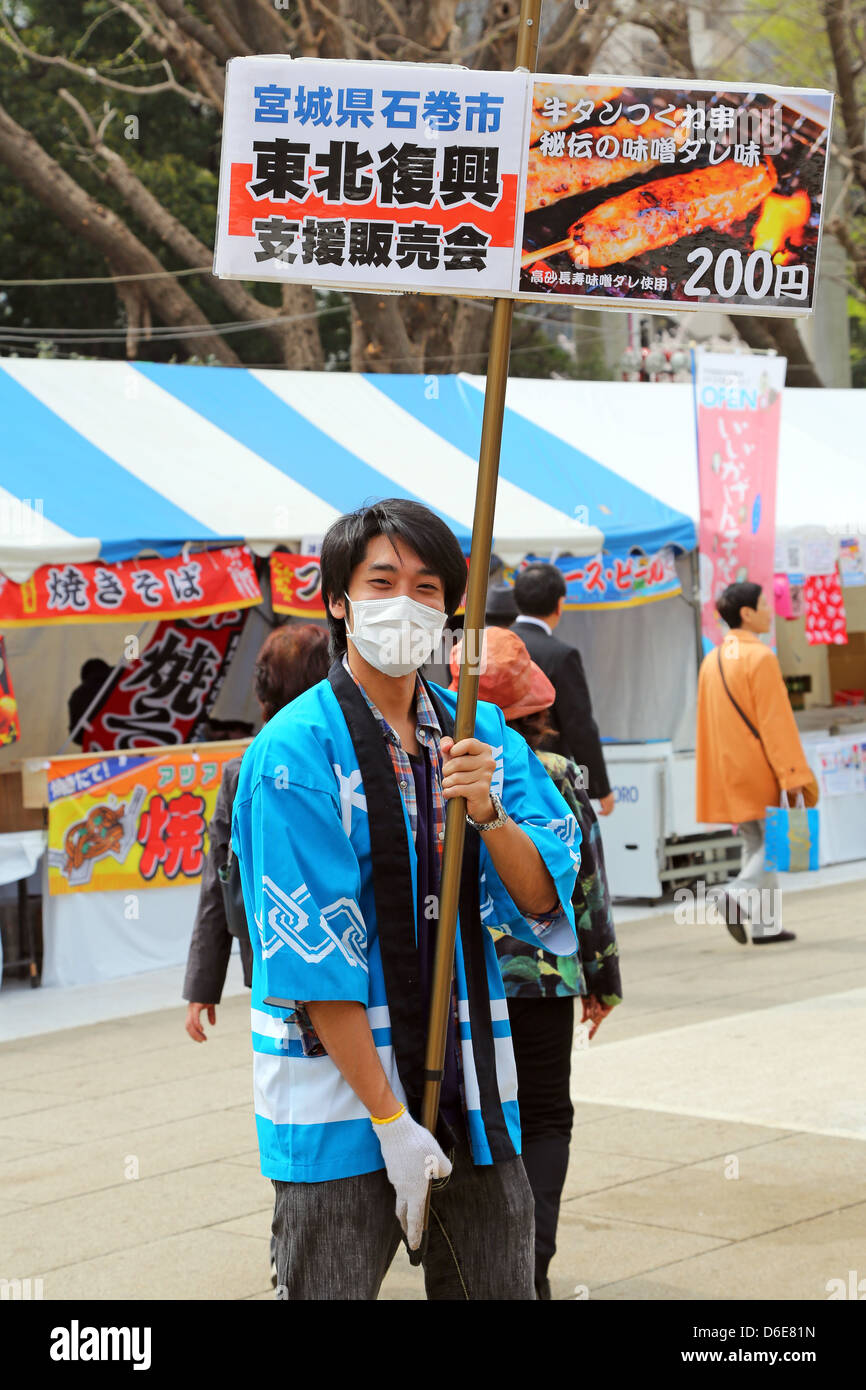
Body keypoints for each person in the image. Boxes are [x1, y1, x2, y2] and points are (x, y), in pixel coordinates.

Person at [231, 499, 581, 1301]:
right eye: (382, 581)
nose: (407, 603)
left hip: (474, 1089)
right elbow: (313, 963)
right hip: (341, 1107)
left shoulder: (481, 731)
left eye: (429, 587)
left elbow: (541, 896)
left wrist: (487, 813)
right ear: (338, 601)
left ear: (450, 608)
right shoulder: (295, 751)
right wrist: (391, 1122)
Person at [449, 626, 622, 1299]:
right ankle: (531, 1263)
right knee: (546, 1115)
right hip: (543, 977)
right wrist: (602, 978)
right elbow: (589, 885)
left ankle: (486, 1259)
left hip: (465, 976)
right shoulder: (558, 774)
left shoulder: (437, 761)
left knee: (482, 1117)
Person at [183, 622, 330, 1035]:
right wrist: (202, 984)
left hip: (271, 964)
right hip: (341, 960)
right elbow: (222, 877)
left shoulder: (241, 770)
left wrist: (202, 986)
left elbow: (217, 881)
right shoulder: (346, 761)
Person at [695, 581, 818, 945]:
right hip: (760, 766)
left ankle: (766, 925)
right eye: (765, 604)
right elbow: (776, 723)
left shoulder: (712, 658)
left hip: (727, 768)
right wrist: (792, 774)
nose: (770, 610)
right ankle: (736, 893)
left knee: (755, 841)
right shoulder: (760, 656)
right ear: (747, 614)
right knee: (775, 843)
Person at [512, 563, 614, 816]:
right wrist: (599, 787)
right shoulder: (561, 655)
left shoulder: (491, 645)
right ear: (559, 605)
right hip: (548, 779)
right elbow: (579, 724)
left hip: (498, 772)